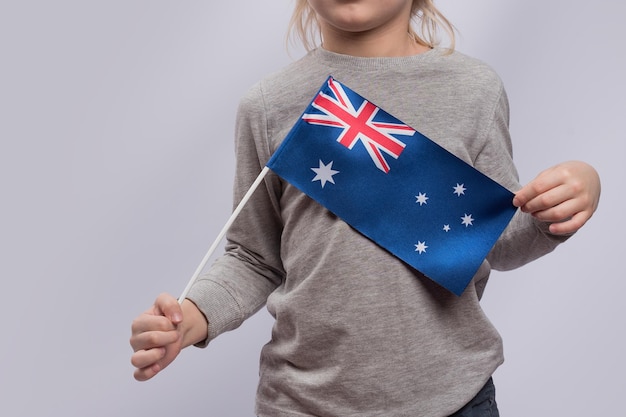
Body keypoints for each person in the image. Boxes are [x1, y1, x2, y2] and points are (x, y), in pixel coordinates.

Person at [130, 1, 601, 415]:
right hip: (302, 403)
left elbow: (498, 240)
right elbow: (254, 256)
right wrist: (193, 316)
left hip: (455, 398)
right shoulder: (269, 105)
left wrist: (567, 202)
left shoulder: (473, 89)